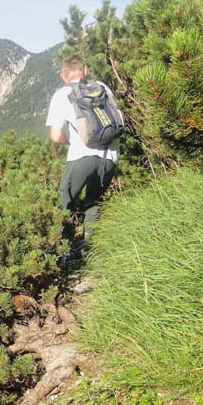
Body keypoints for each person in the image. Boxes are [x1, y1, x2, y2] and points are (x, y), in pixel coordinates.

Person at [46, 55, 120, 257]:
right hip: (110, 156)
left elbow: (55, 136)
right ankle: (90, 250)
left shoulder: (62, 94)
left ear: (63, 75)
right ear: (84, 70)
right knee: (93, 201)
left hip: (81, 156)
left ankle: (66, 254)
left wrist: (71, 142)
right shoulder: (103, 87)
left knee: (66, 201)